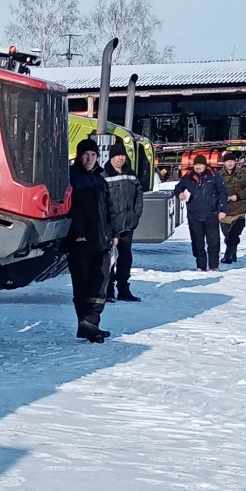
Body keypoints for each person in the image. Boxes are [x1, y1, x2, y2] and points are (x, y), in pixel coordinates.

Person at [65, 137, 116, 343]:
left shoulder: (100, 180)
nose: (89, 158)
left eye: (93, 155)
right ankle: (86, 325)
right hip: (79, 242)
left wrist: (114, 233)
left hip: (101, 241)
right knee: (83, 285)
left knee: (100, 283)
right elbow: (69, 211)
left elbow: (109, 209)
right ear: (79, 155)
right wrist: (77, 233)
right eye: (85, 154)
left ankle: (91, 323)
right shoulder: (71, 179)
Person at [175, 154, 228, 271]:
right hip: (194, 215)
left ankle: (214, 266)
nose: (198, 167)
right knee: (197, 243)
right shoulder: (188, 176)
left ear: (205, 165)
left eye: (200, 165)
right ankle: (201, 266)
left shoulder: (214, 176)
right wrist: (180, 193)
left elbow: (222, 192)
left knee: (213, 242)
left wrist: (223, 209)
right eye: (196, 165)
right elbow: (177, 188)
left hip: (211, 214)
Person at [104, 144, 144, 302]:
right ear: (111, 157)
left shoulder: (131, 174)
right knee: (109, 259)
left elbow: (139, 195)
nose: (121, 158)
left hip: (128, 224)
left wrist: (136, 214)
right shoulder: (103, 175)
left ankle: (123, 290)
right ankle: (108, 290)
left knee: (125, 258)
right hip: (110, 226)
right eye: (117, 155)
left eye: (123, 155)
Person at [219, 151, 246, 265]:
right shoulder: (219, 175)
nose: (229, 163)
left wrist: (238, 196)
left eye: (231, 161)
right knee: (227, 236)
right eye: (227, 161)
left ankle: (227, 256)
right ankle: (232, 251)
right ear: (224, 163)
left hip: (239, 210)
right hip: (225, 212)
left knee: (234, 234)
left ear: (235, 162)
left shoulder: (242, 173)